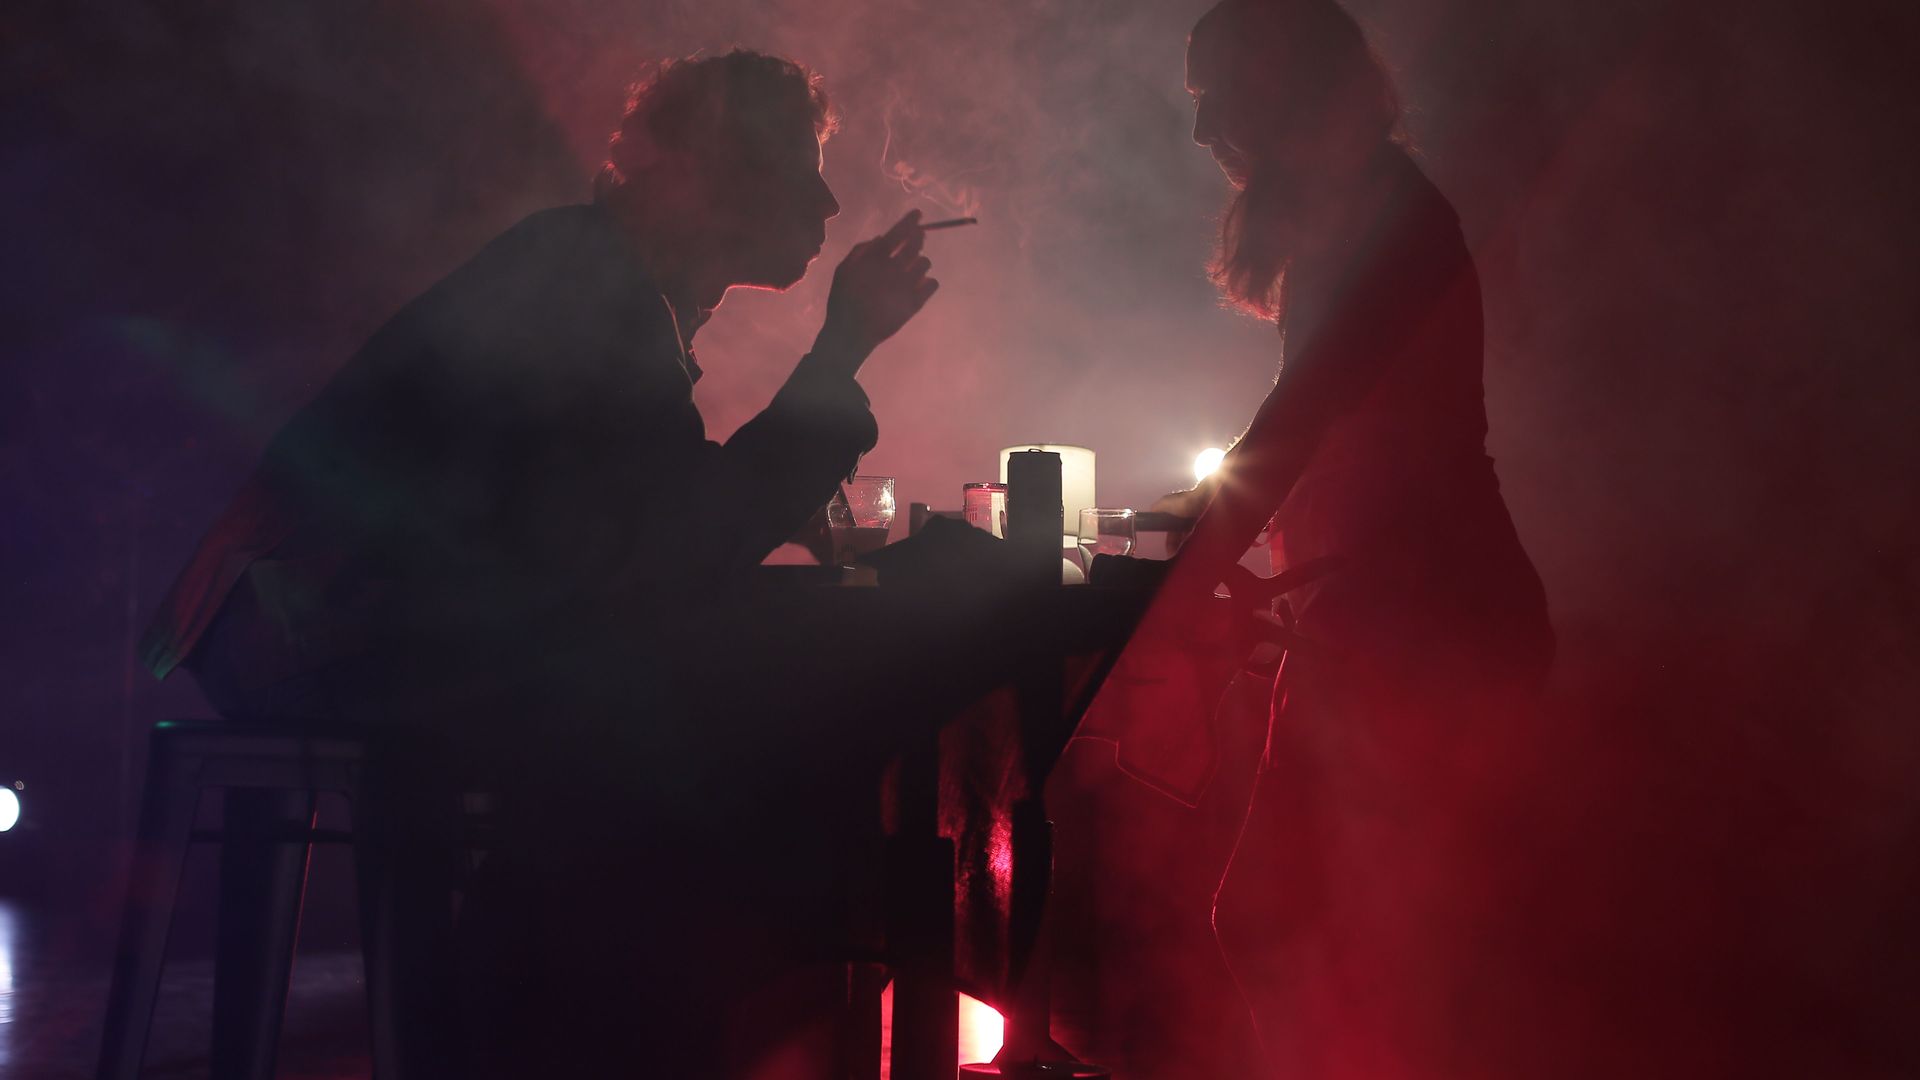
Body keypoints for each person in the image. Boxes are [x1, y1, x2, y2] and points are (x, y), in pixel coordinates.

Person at [138, 50, 938, 1077]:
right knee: (673, 725)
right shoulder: (584, 280)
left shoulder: (607, 274)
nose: (827, 203)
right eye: (797, 168)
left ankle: (568, 1026)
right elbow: (660, 546)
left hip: (343, 619)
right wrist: (838, 355)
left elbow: (631, 529)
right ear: (706, 168)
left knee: (674, 706)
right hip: (313, 623)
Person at [1086, 1, 1555, 1075]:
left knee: (1347, 936)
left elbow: (1305, 414)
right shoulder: (1363, 214)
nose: (1200, 130)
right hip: (1388, 619)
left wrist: (1184, 563)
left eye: (1213, 97)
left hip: (1434, 625)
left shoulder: (1396, 224)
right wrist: (1195, 530)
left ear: (1281, 85)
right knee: (1345, 939)